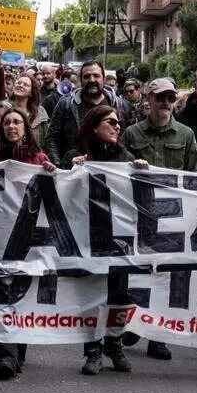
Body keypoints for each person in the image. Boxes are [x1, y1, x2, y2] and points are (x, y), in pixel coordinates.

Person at [114, 78, 197, 361]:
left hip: (171, 217)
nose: (165, 103)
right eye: (160, 98)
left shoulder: (186, 134)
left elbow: (192, 176)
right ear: (147, 100)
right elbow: (118, 171)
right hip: (137, 214)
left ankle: (157, 337)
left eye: (170, 98)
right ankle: (136, 323)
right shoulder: (131, 133)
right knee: (135, 274)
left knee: (165, 277)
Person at [64, 105, 148, 375]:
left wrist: (142, 174)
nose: (117, 127)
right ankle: (93, 350)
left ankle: (115, 343)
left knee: (119, 295)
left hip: (119, 239)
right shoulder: (75, 158)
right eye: (110, 122)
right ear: (94, 125)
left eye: (118, 123)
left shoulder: (126, 157)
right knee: (92, 295)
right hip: (88, 238)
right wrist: (69, 171)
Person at [0, 107, 57, 380]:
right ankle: (5, 356)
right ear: (1, 129)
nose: (12, 126)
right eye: (8, 123)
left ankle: (17, 353)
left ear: (26, 128)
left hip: (29, 240)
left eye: (17, 122)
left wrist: (52, 172)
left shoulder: (38, 159)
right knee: (1, 294)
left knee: (22, 296)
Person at [47, 61, 131, 167]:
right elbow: (53, 138)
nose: (91, 80)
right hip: (73, 173)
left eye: (96, 76)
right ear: (81, 80)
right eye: (87, 76)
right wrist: (59, 167)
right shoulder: (66, 104)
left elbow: (126, 139)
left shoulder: (120, 105)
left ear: (103, 79)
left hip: (112, 172)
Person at [10, 74, 50, 149]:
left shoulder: (40, 113)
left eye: (25, 85)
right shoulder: (6, 109)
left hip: (33, 158)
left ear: (31, 92)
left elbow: (46, 142)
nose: (21, 85)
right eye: (19, 83)